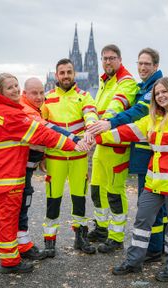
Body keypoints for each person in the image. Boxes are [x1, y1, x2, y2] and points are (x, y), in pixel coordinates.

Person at [0, 73, 83, 274]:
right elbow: (43, 134)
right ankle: (10, 261)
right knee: (8, 219)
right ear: (1, 91)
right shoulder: (13, 115)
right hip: (7, 177)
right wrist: (74, 145)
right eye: (9, 87)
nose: (14, 90)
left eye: (15, 86)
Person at [95, 77, 168, 282]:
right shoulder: (152, 119)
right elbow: (128, 131)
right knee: (141, 221)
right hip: (153, 184)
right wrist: (98, 136)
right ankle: (134, 262)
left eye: (164, 92)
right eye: (157, 93)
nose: (161, 96)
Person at [88, 48, 167, 262]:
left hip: (144, 152)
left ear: (156, 66)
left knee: (149, 205)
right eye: (140, 63)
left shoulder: (148, 87)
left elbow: (135, 112)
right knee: (151, 204)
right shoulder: (143, 85)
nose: (142, 67)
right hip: (138, 152)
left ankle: (152, 247)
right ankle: (159, 245)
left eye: (147, 64)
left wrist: (108, 123)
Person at [17, 77, 83, 260]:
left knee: (21, 204)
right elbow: (47, 131)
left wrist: (43, 155)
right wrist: (75, 140)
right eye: (34, 93)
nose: (39, 97)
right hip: (17, 170)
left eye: (41, 93)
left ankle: (18, 246)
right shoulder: (27, 110)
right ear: (25, 94)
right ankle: (19, 249)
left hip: (25, 169)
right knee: (19, 205)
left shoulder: (35, 107)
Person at [40, 58, 99, 256]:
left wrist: (90, 129)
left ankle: (80, 237)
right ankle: (49, 241)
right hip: (55, 158)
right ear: (57, 75)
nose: (66, 76)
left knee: (79, 198)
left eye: (69, 72)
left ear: (74, 74)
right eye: (62, 72)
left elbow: (91, 115)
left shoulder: (84, 96)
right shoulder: (46, 98)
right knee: (53, 199)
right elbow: (41, 128)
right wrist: (41, 155)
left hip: (78, 158)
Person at [87, 44, 138, 253]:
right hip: (102, 143)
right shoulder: (103, 81)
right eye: (105, 58)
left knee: (114, 193)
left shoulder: (126, 81)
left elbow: (117, 105)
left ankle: (116, 238)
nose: (108, 61)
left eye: (112, 58)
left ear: (120, 59)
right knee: (96, 189)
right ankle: (101, 229)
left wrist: (104, 122)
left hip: (117, 145)